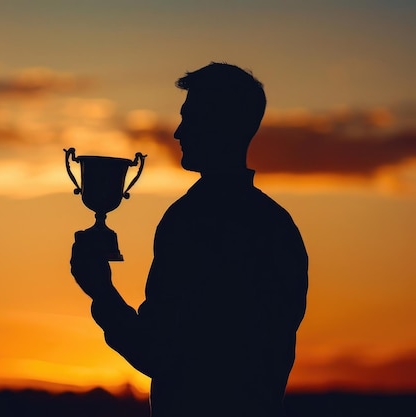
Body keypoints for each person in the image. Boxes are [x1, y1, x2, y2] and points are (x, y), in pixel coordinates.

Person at [70, 62, 308, 417]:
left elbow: (159, 351)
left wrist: (101, 291)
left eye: (192, 117)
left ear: (220, 126)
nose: (179, 132)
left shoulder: (190, 222)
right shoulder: (278, 226)